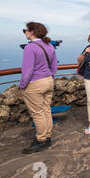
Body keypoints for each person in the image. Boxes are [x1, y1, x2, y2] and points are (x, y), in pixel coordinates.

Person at [20, 22, 58, 154]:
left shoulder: (30, 48)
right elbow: (54, 66)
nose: (25, 32)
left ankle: (41, 140)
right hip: (48, 81)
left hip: (35, 84)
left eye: (25, 30)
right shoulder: (49, 46)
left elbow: (27, 71)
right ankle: (47, 136)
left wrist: (22, 85)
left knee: (38, 113)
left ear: (31, 32)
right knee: (46, 110)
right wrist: (50, 78)